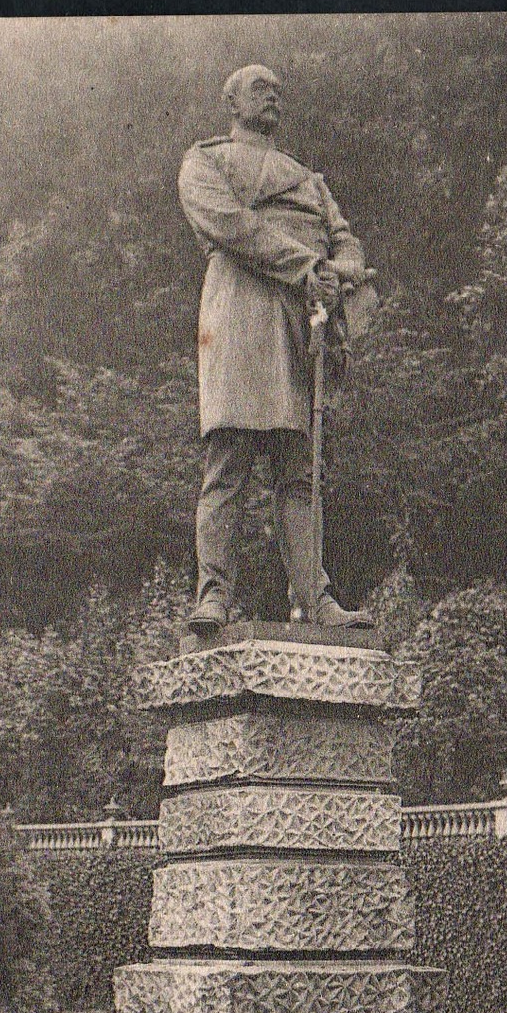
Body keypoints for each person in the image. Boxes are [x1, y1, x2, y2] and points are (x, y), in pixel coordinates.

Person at [178, 64, 374, 634]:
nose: (274, 97)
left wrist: (345, 270)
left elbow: (346, 238)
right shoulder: (205, 161)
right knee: (229, 461)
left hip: (301, 322)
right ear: (231, 102)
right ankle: (213, 595)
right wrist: (306, 266)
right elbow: (231, 225)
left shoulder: (309, 180)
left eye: (279, 91)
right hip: (240, 315)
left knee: (300, 470)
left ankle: (315, 598)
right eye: (261, 88)